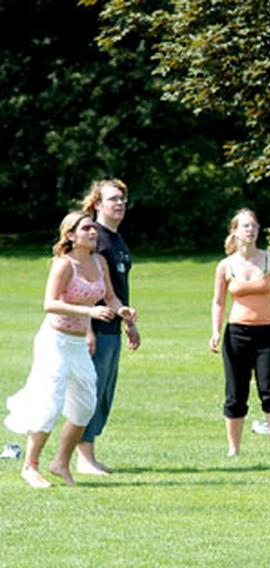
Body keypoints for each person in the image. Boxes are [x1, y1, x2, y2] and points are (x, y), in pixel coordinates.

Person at [4, 212, 135, 488]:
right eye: (86, 228)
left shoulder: (100, 262)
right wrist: (88, 311)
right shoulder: (64, 265)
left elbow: (109, 296)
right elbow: (49, 304)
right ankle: (30, 466)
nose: (92, 232)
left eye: (92, 228)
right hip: (55, 341)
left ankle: (60, 463)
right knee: (50, 404)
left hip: (77, 345)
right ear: (71, 236)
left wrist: (121, 310)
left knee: (86, 407)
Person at [209, 209, 270, 457]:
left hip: (267, 333)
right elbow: (218, 302)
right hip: (236, 334)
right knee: (236, 392)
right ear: (235, 231)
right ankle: (233, 450)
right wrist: (215, 331)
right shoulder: (225, 265)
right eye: (245, 226)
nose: (251, 230)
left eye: (254, 226)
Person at [73, 179, 140, 475]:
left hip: (113, 327)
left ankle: (90, 454)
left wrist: (129, 323)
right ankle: (82, 458)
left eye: (122, 199)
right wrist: (87, 328)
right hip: (95, 329)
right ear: (97, 204)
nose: (120, 203)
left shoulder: (117, 239)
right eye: (113, 198)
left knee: (104, 392)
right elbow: (83, 287)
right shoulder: (94, 238)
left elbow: (117, 291)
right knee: (91, 391)